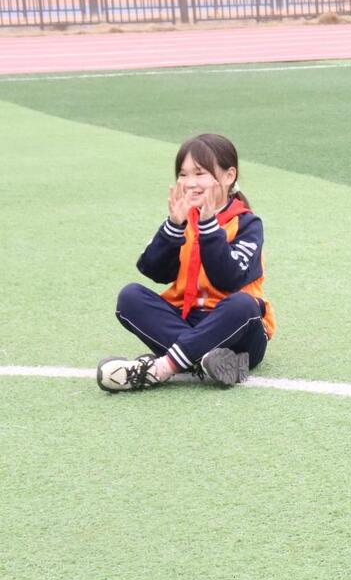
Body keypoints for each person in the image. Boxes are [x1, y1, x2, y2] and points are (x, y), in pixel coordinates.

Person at [97, 133, 276, 392]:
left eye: (199, 173)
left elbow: (228, 278)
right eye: (183, 174)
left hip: (239, 332)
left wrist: (208, 225)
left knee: (242, 305)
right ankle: (209, 362)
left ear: (228, 176)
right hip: (189, 320)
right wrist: (172, 226)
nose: (190, 182)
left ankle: (159, 369)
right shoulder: (183, 218)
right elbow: (153, 270)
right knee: (130, 297)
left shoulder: (248, 224)